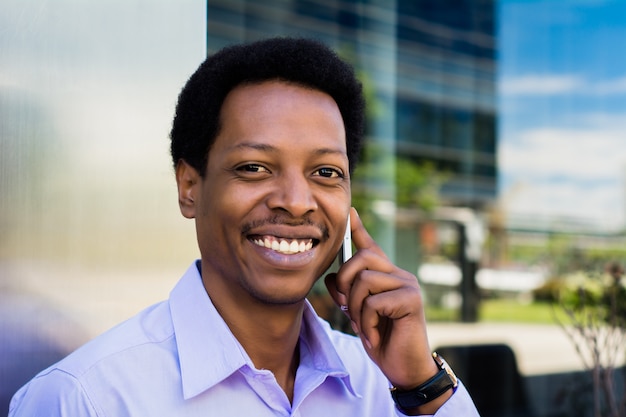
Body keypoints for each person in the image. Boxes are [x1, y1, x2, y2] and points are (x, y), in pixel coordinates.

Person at [9, 37, 479, 416]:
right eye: (254, 167)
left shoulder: (384, 384)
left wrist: (422, 384)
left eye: (326, 173)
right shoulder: (85, 399)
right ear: (189, 186)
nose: (297, 203)